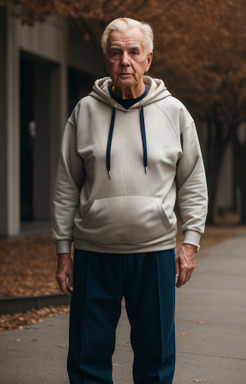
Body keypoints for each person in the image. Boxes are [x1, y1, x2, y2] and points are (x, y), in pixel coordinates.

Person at [52, 17, 208, 384]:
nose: (125, 61)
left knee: (155, 362)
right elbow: (65, 185)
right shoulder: (84, 112)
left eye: (134, 52)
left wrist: (190, 244)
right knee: (87, 360)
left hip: (153, 255)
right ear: (106, 60)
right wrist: (63, 250)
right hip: (94, 254)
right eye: (116, 53)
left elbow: (193, 182)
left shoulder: (175, 113)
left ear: (148, 59)